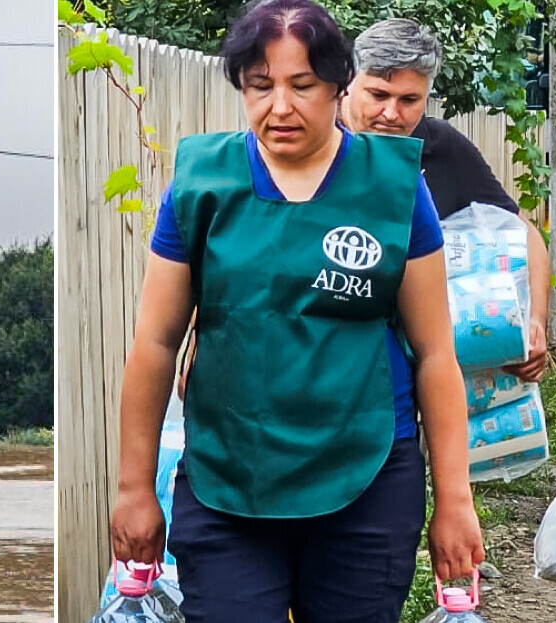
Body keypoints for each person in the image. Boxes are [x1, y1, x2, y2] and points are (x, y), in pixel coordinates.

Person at [108, 1, 484, 620]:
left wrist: (455, 499)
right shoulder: (201, 184)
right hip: (227, 481)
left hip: (366, 477)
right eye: (260, 87)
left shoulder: (392, 187)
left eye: (301, 86)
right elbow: (154, 342)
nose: (279, 106)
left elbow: (436, 352)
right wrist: (134, 488)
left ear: (339, 85)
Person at [341, 17, 551, 382]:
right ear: (347, 84)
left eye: (409, 100)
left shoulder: (442, 147)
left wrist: (534, 323)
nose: (391, 114)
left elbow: (523, 232)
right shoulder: (312, 145)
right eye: (378, 95)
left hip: (417, 381)